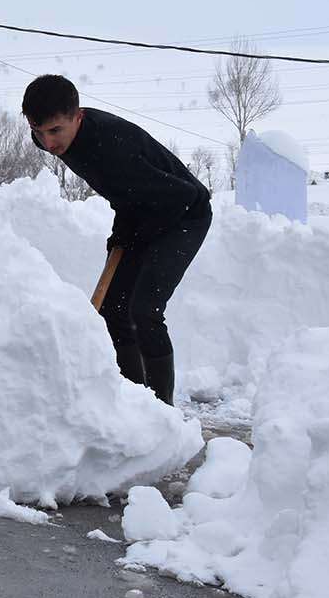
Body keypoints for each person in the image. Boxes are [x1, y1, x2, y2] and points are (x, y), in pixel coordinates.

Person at [22, 74, 210, 405]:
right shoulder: (52, 138)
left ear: (78, 116)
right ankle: (132, 403)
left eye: (55, 131)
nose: (48, 143)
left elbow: (184, 195)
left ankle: (162, 410)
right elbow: (126, 192)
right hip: (145, 212)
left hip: (185, 214)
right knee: (114, 308)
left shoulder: (111, 146)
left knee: (145, 310)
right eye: (39, 132)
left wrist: (133, 232)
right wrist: (126, 228)